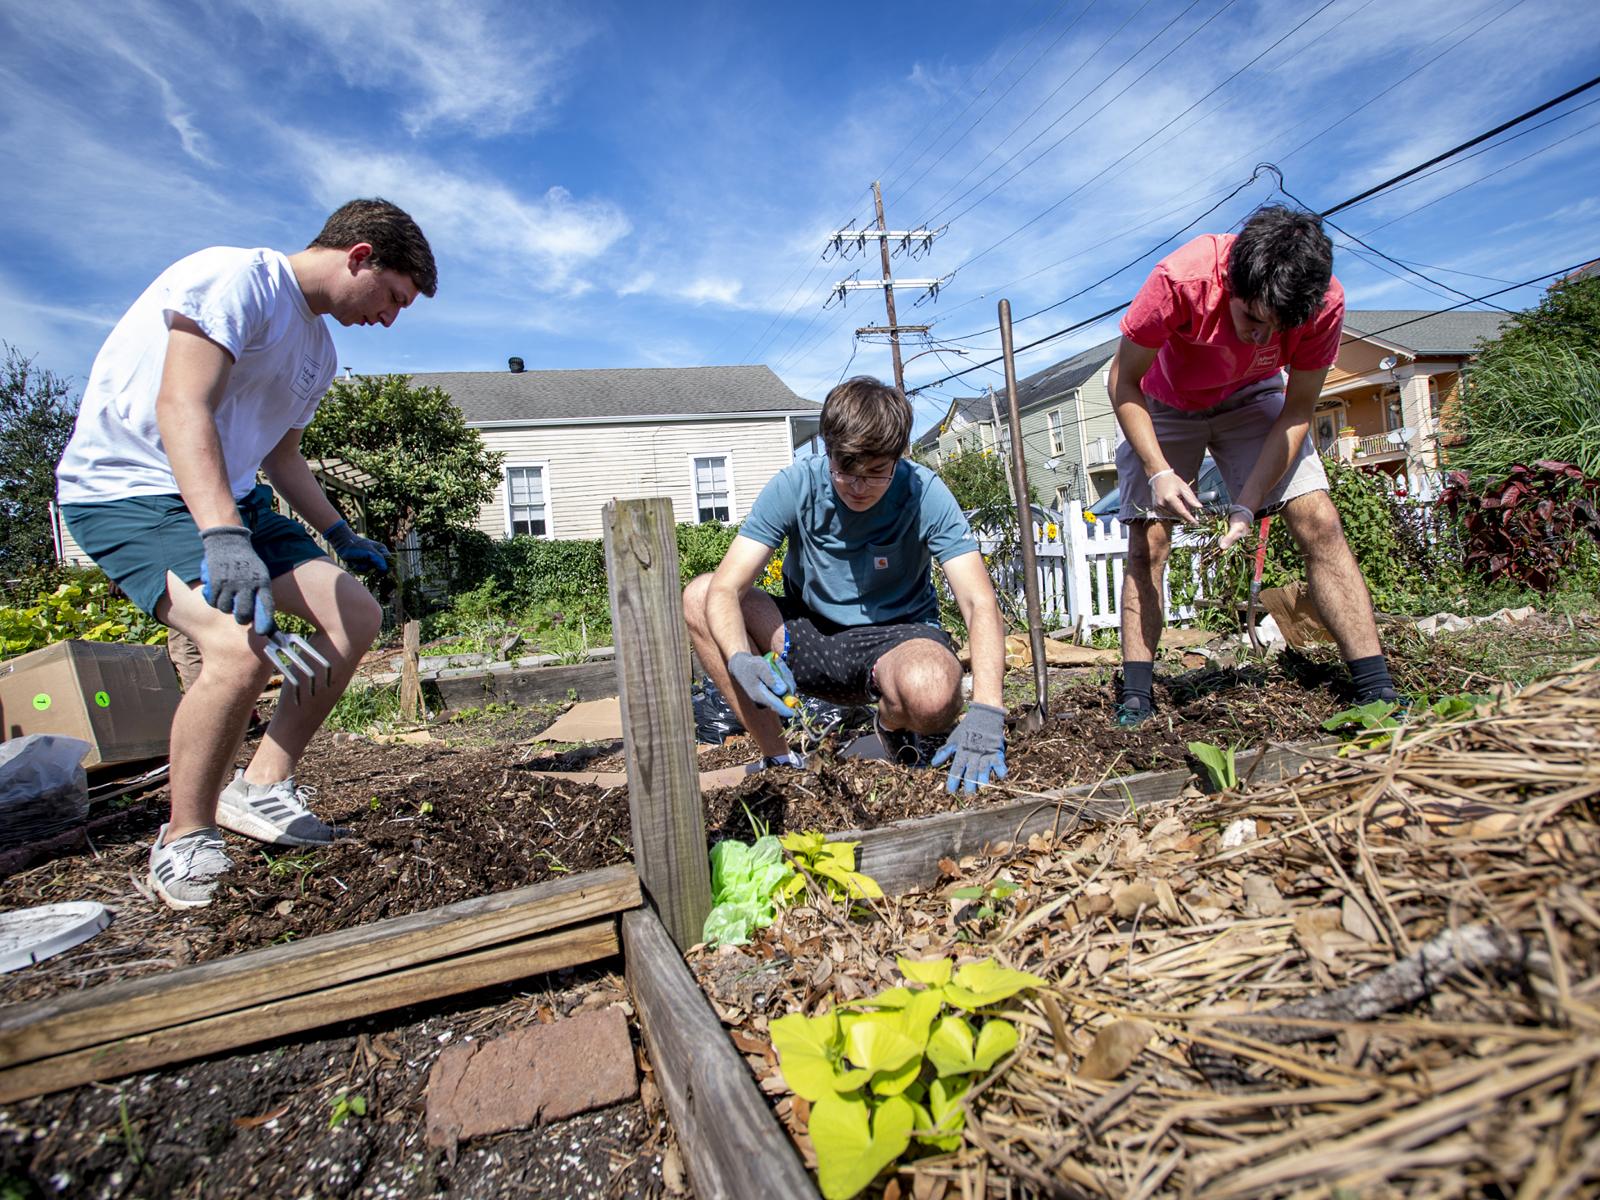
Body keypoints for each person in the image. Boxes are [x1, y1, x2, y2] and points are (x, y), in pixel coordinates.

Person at [56, 198, 436, 908]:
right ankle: (185, 836)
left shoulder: (318, 351)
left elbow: (281, 456)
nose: (389, 317)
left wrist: (341, 532)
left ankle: (261, 787)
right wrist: (223, 536)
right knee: (238, 651)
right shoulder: (238, 280)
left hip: (232, 493)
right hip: (133, 488)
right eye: (392, 297)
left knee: (353, 616)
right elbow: (181, 405)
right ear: (359, 256)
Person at [1108, 204, 1397, 726]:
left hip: (1256, 399)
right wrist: (1158, 470)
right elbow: (1122, 382)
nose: (1263, 340)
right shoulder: (1182, 278)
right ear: (1231, 284)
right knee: (1148, 540)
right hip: (1163, 402)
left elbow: (1298, 410)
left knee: (1320, 522)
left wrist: (1247, 503)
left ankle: (1377, 690)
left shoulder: (1323, 302)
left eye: (1278, 329)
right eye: (1253, 321)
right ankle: (1136, 698)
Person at [683, 376, 1010, 793]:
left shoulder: (924, 493)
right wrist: (740, 659)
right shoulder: (796, 485)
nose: (858, 487)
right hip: (808, 636)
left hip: (898, 639)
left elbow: (979, 602)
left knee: (931, 693)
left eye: (876, 474)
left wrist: (987, 711)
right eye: (845, 472)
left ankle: (889, 724)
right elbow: (727, 588)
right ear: (828, 450)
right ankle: (779, 760)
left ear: (898, 456)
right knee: (699, 596)